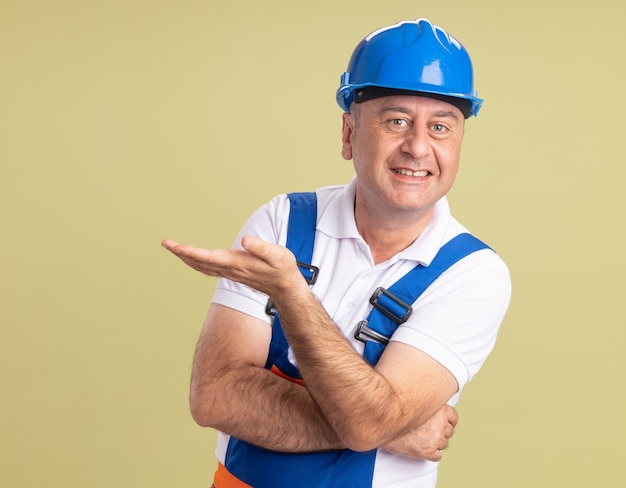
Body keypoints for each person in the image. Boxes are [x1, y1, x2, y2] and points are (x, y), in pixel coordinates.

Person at [162, 17, 511, 488]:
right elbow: (216, 395)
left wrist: (291, 293)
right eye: (397, 121)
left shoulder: (474, 274)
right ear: (349, 134)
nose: (417, 147)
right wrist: (391, 430)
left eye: (441, 127)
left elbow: (367, 423)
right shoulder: (282, 222)